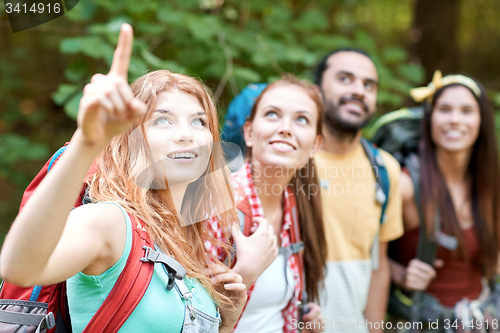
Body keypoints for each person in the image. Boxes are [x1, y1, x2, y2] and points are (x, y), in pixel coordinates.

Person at [0, 24, 247, 333]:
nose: (187, 135)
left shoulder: (186, 244)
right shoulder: (111, 221)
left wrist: (228, 321)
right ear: (130, 141)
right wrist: (86, 144)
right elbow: (19, 268)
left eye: (198, 121)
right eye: (163, 120)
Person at [389, 71, 500, 330]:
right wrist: (401, 274)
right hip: (422, 322)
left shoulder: (490, 189)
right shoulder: (407, 186)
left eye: (466, 111)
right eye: (445, 109)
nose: (454, 120)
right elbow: (367, 256)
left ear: (481, 120)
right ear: (429, 119)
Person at [220, 75, 328, 333]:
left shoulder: (296, 206)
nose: (286, 128)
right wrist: (245, 274)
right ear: (248, 132)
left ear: (315, 144)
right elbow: (186, 316)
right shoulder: (216, 204)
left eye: (301, 119)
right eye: (272, 114)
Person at [312, 48, 404, 333]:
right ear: (316, 91)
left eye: (369, 85)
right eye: (345, 78)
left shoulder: (385, 169)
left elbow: (378, 265)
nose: (359, 91)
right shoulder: (288, 161)